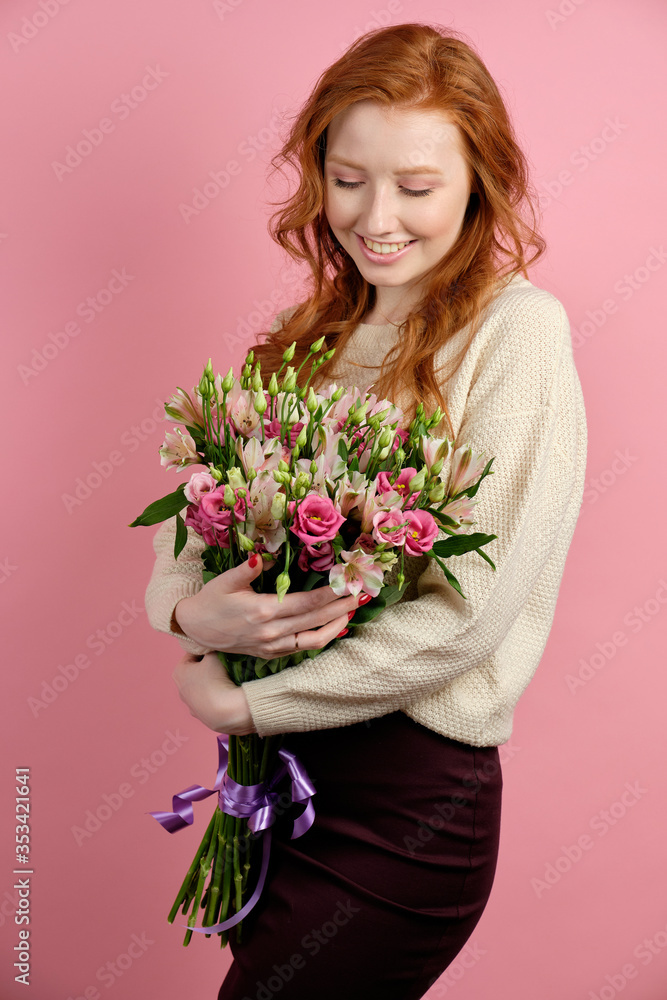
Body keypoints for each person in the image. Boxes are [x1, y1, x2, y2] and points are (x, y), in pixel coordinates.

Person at [143, 22, 587, 1000]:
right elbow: (195, 529)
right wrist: (188, 615)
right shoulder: (303, 341)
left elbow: (465, 619)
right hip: (280, 786)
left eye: (416, 186)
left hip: (408, 806)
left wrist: (246, 698)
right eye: (347, 178)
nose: (376, 216)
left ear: (482, 178)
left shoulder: (517, 334)